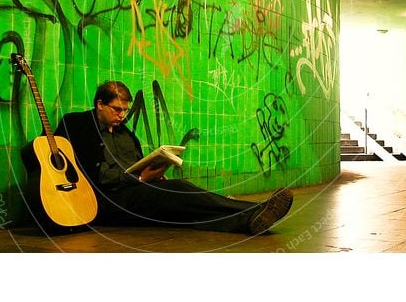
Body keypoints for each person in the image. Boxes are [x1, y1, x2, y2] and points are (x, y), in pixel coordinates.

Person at [53, 80, 293, 234]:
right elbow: (97, 175)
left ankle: (250, 219)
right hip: (107, 202)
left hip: (136, 191)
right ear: (99, 105)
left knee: (182, 208)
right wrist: (140, 180)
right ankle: (254, 211)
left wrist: (153, 173)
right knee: (182, 191)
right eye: (117, 109)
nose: (122, 115)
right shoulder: (79, 125)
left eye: (126, 110)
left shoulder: (126, 134)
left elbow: (136, 165)